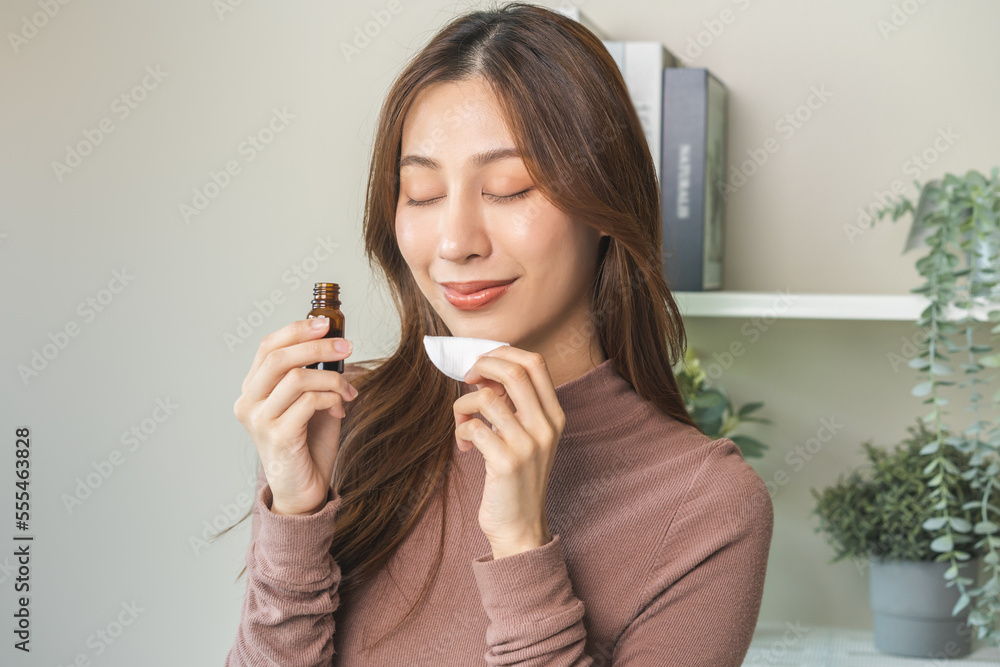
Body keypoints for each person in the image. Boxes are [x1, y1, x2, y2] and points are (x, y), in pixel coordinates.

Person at [223, 3, 773, 665]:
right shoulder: (344, 423)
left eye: (509, 188)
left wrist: (520, 547)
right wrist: (295, 513)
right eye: (422, 193)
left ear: (606, 201)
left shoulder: (708, 506)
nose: (455, 243)